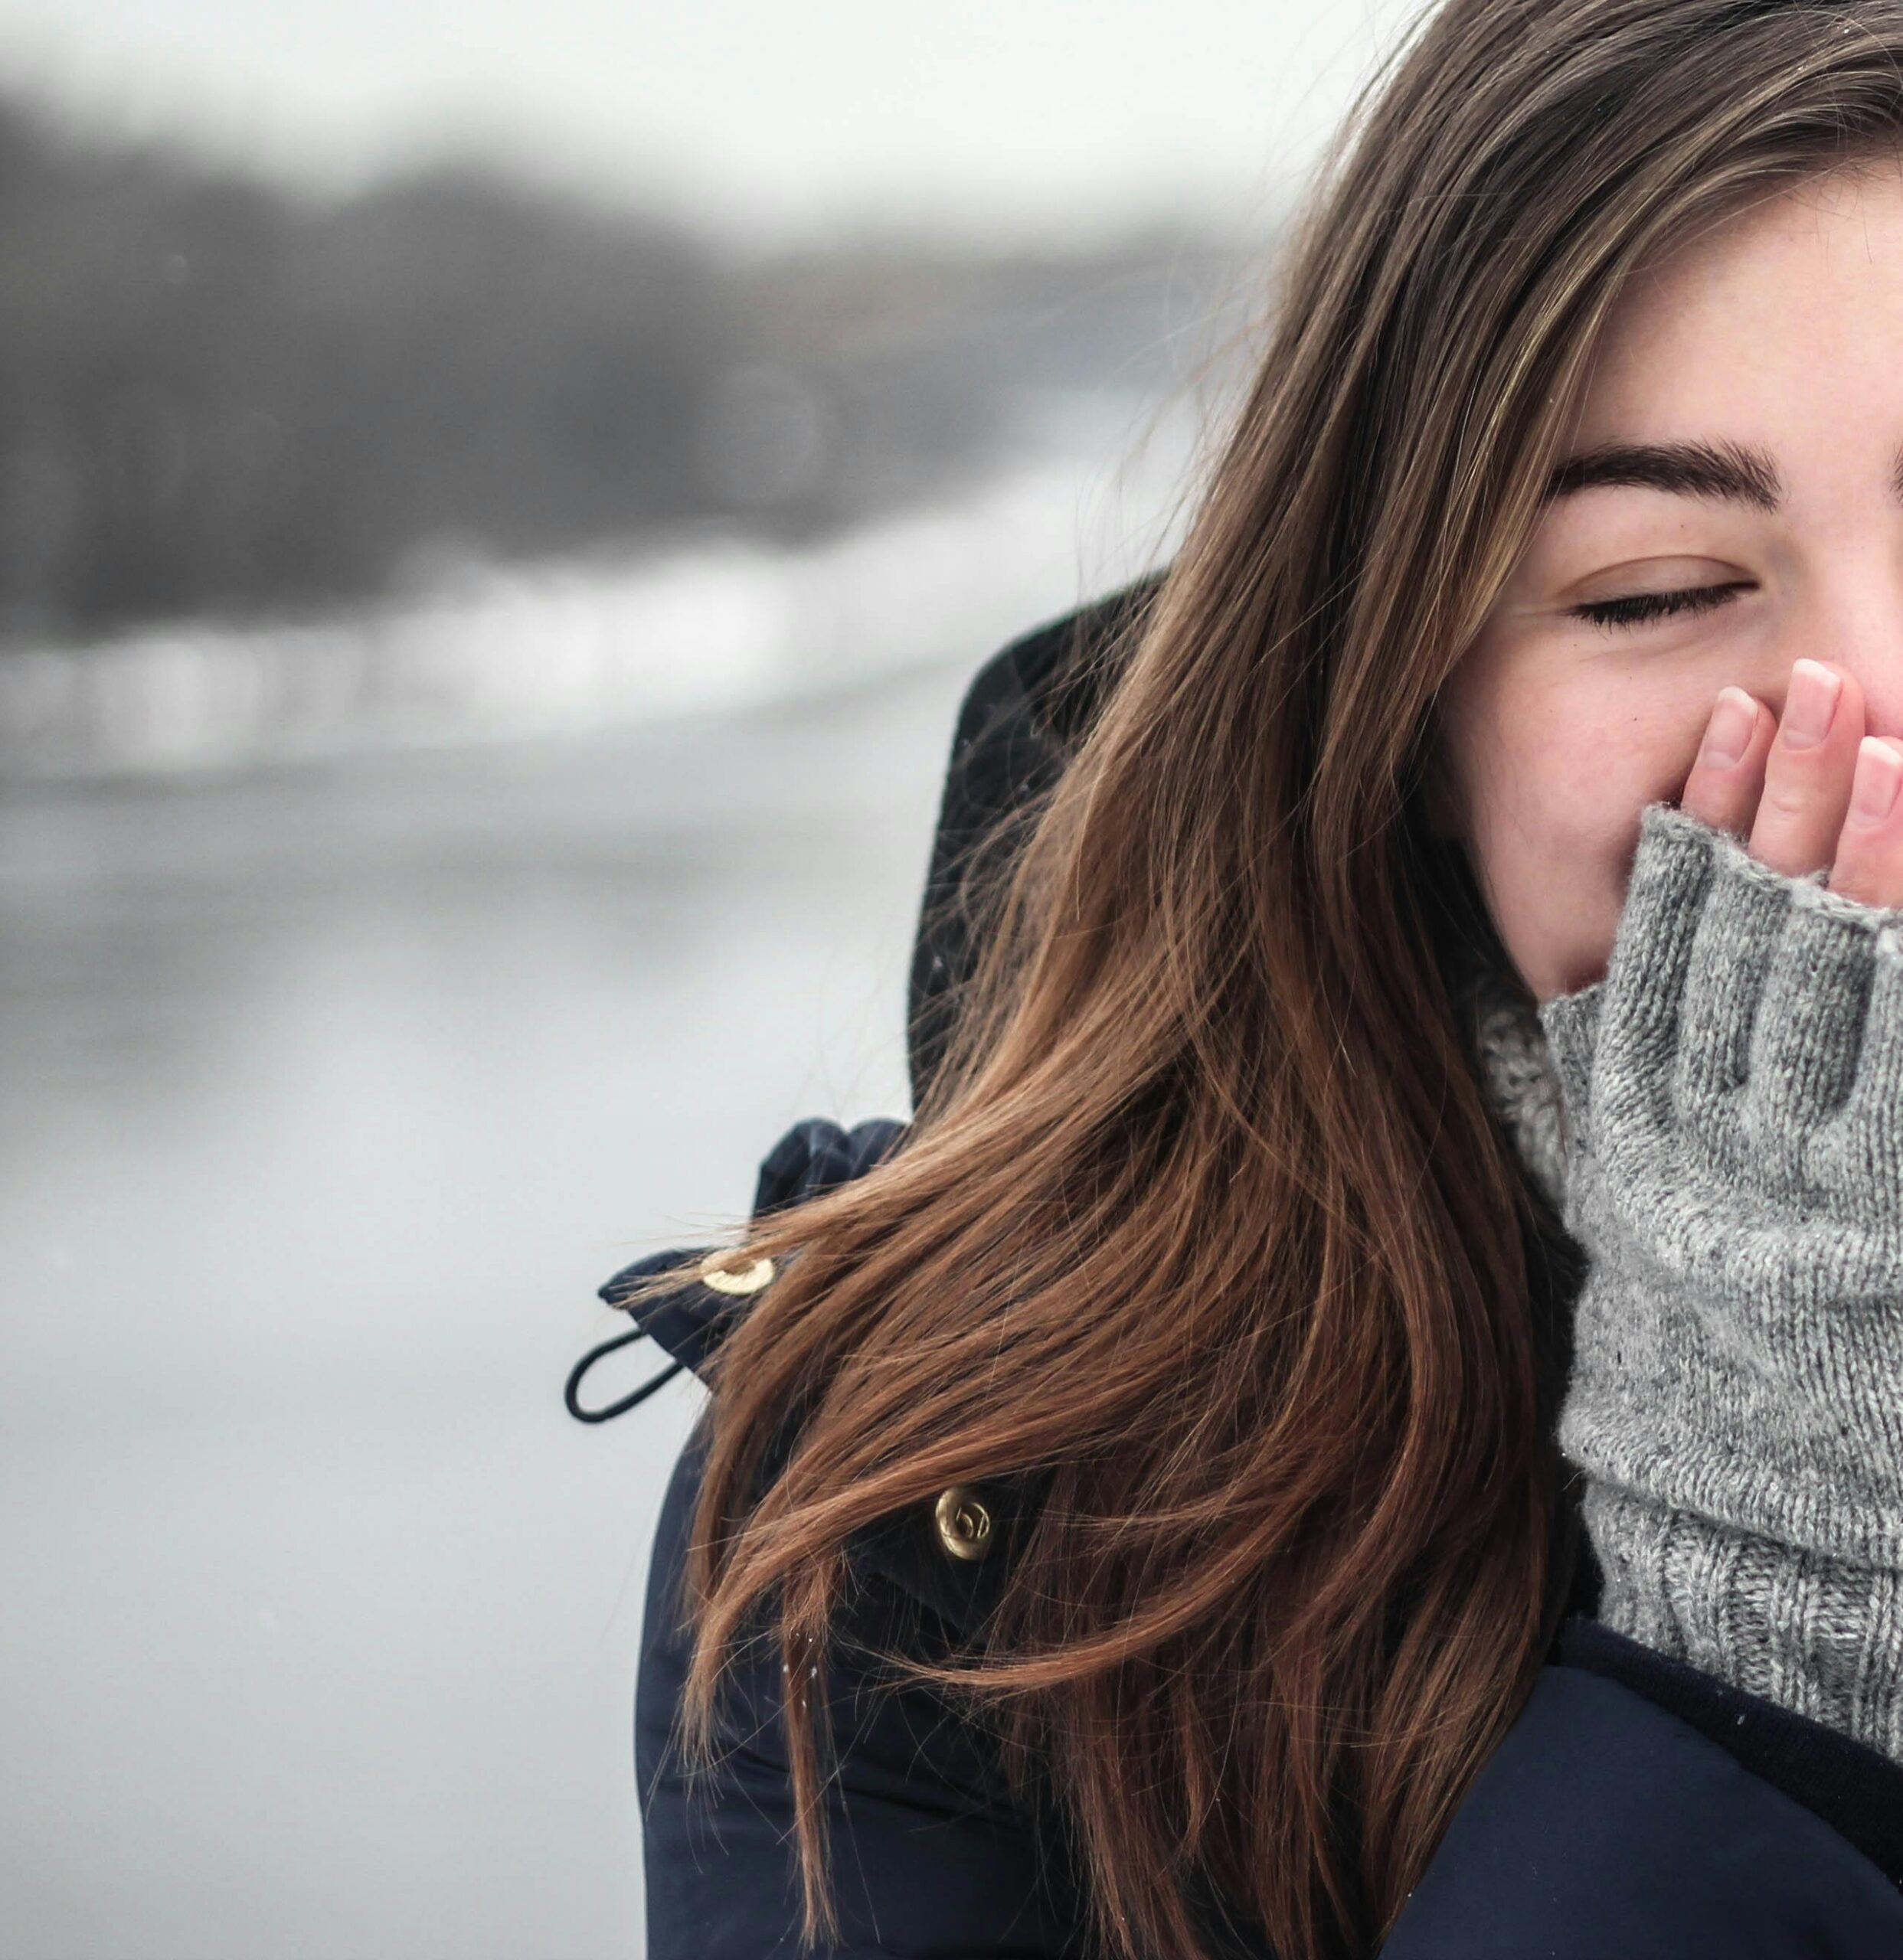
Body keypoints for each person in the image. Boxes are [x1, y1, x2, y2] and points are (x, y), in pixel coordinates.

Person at [567, 2, 1903, 1952]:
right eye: (1651, 591)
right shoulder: (940, 1526)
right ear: (1405, 713)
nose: (1865, 730)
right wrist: (1756, 1615)